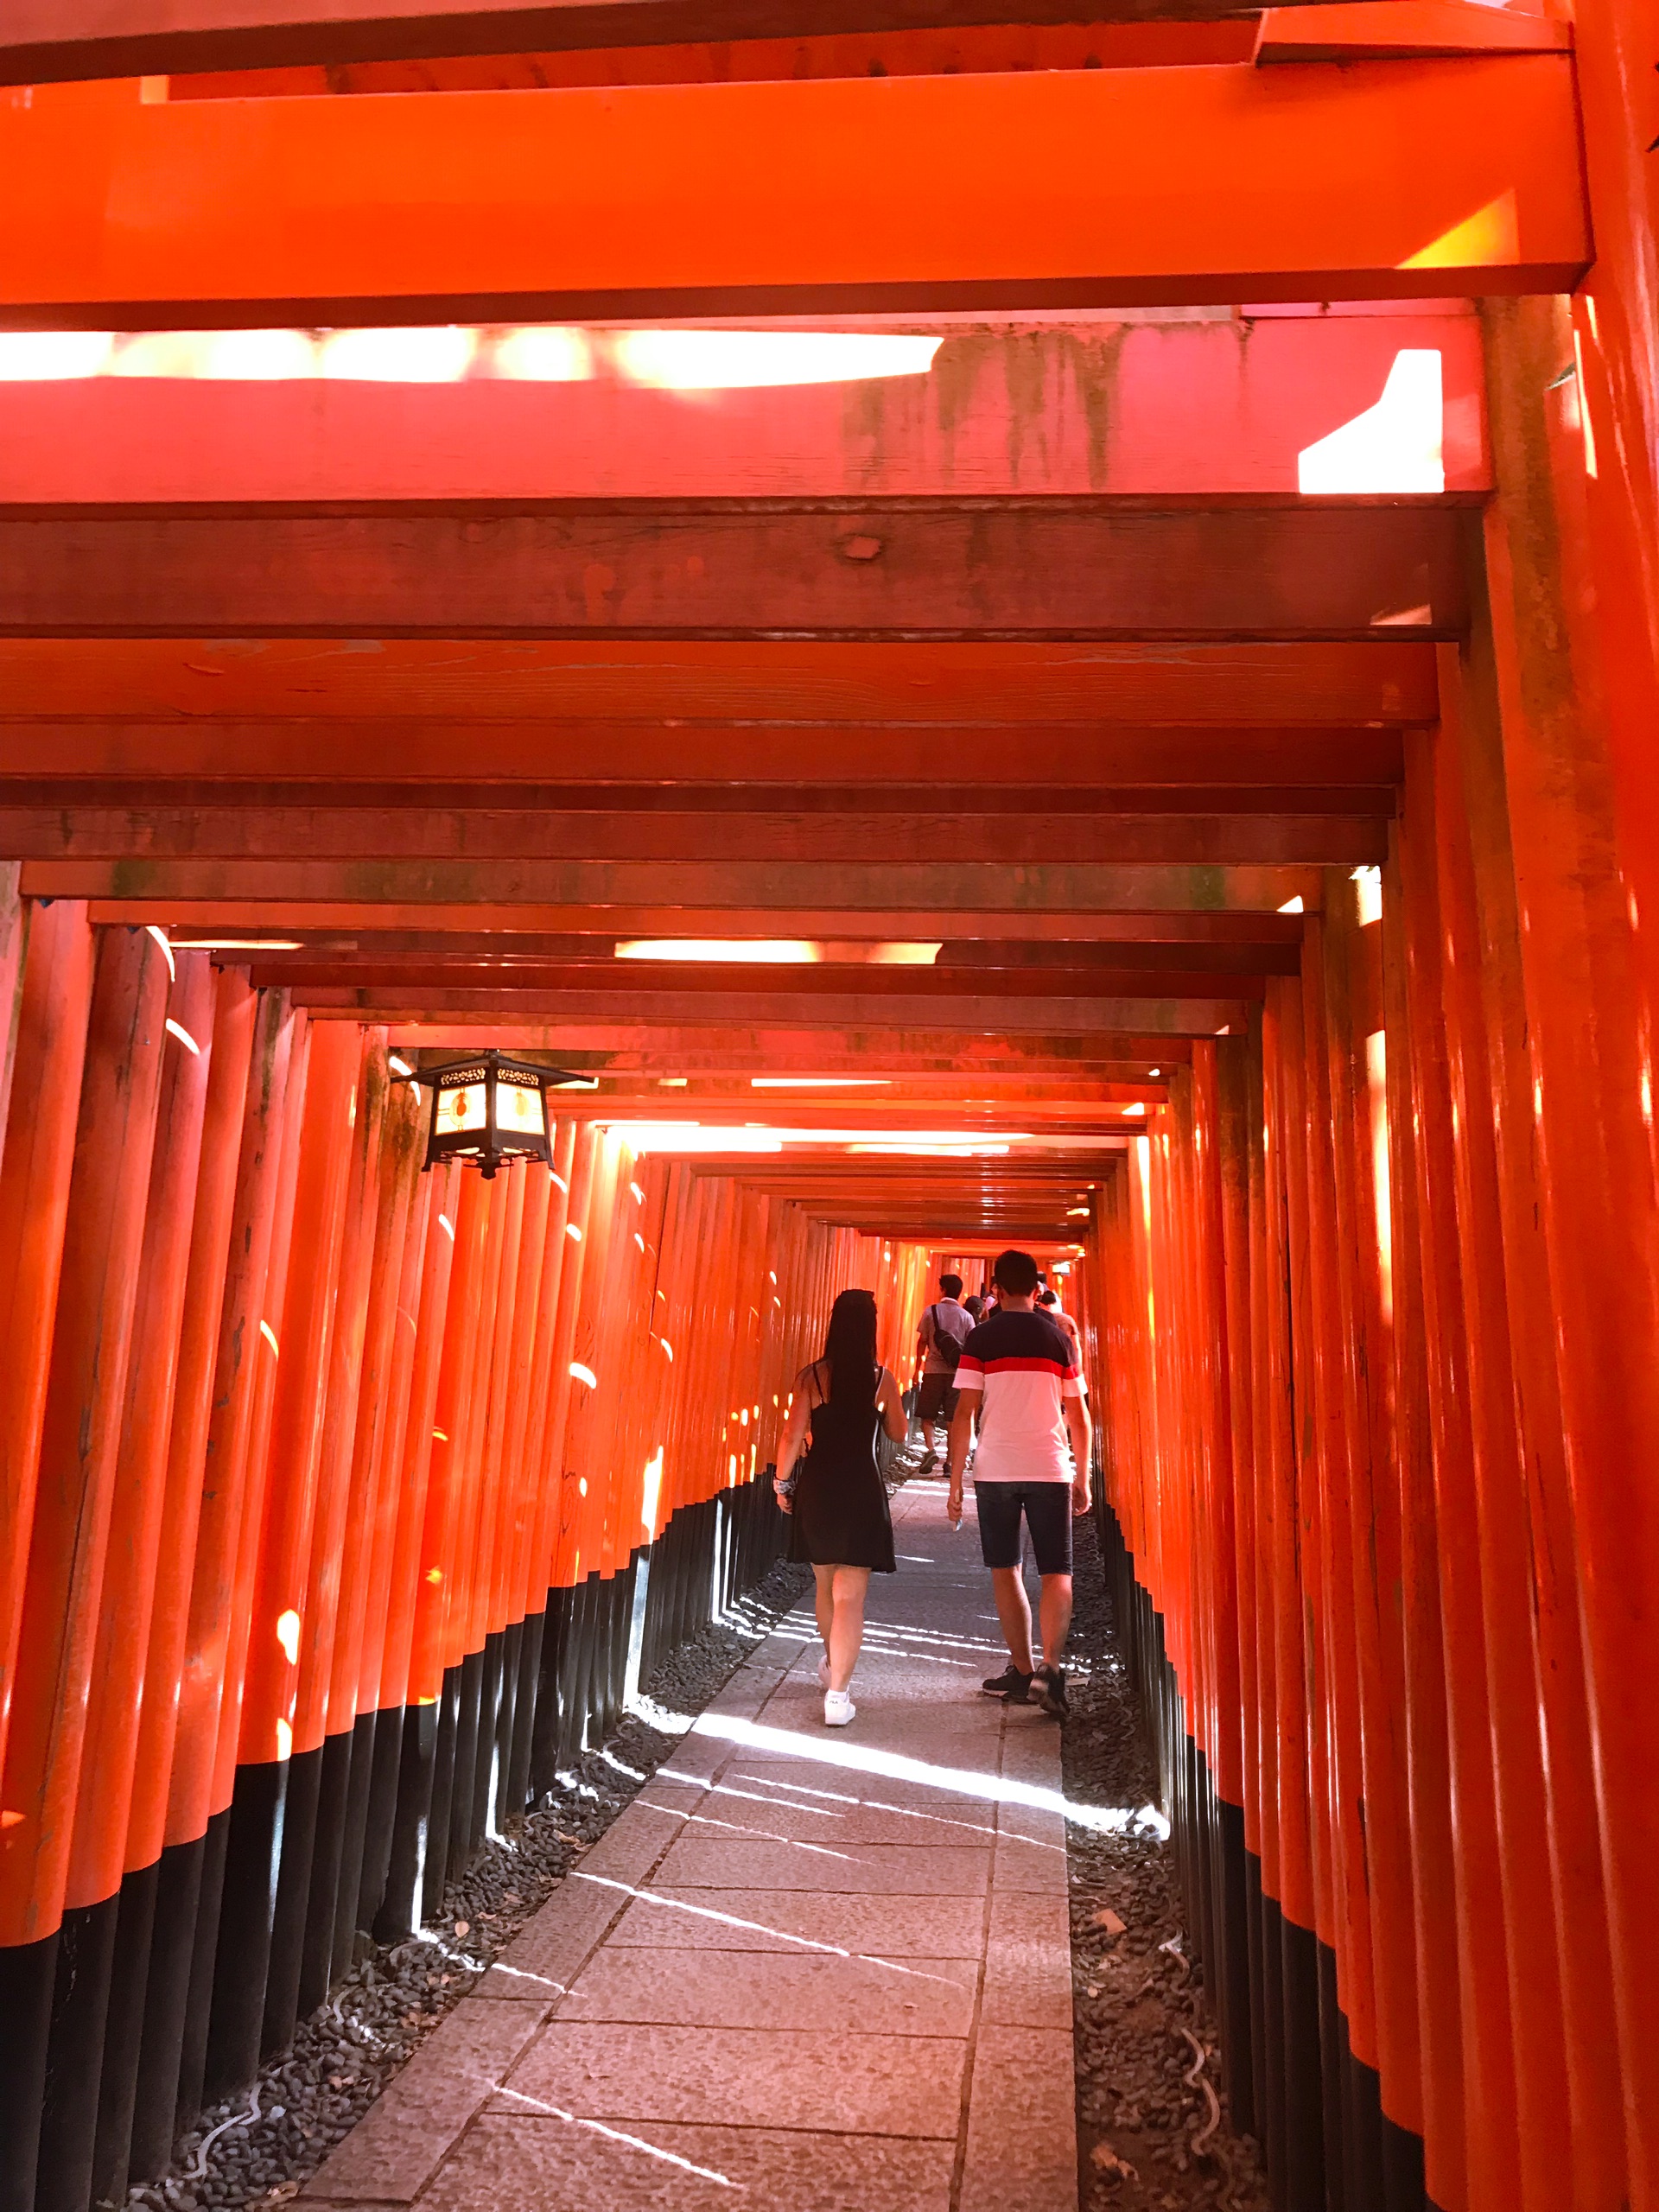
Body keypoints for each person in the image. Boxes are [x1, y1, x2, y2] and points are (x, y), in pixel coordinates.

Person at [946, 1248, 1092, 1718]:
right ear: (1036, 1288)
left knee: (1006, 1568)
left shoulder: (981, 1338)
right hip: (1050, 1467)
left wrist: (954, 1480)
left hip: (996, 1468)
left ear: (996, 1288)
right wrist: (1083, 1476)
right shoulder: (1059, 1340)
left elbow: (964, 1412)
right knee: (1057, 1572)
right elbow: (1081, 1418)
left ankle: (1022, 1669)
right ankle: (1051, 1670)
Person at [773, 1288, 908, 1726]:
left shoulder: (812, 1378)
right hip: (861, 1490)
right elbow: (900, 1433)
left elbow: (792, 1436)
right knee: (851, 1597)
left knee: (824, 1585)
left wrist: (781, 1483)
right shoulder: (881, 1378)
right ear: (871, 1328)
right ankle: (838, 1696)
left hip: (819, 1489)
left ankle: (833, 1668)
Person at [912, 1273, 974, 1473]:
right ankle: (949, 1463)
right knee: (953, 1420)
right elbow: (971, 1347)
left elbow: (922, 1342)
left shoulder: (931, 1312)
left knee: (927, 1415)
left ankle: (930, 1449)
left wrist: (916, 1370)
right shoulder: (967, 1317)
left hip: (933, 1371)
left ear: (943, 1290)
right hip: (957, 1374)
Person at [1037, 1286, 1083, 1366]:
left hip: (1050, 1364)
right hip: (1068, 1362)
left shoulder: (1040, 1319)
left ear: (1041, 1304)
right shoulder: (1068, 1319)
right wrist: (1078, 1368)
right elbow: (1077, 1348)